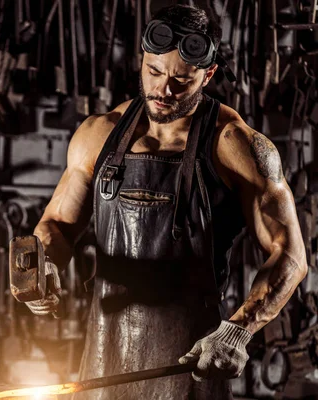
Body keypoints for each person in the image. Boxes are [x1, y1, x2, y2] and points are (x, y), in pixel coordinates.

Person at [22, 4, 308, 399]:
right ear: (142, 61)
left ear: (207, 75)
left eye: (181, 80)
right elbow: (57, 224)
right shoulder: (98, 134)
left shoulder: (235, 145)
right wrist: (44, 265)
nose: (164, 89)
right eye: (154, 72)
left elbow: (290, 256)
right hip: (104, 358)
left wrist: (239, 329)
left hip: (190, 364)